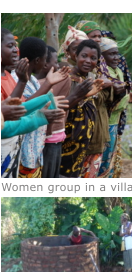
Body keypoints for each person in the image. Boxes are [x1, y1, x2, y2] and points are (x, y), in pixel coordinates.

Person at [11, 36, 70, 178]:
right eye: (44, 59)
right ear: (38, 60)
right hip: (23, 152)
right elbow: (23, 108)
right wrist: (48, 84)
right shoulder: (16, 79)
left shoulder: (33, 80)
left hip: (34, 151)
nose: (45, 63)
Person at [60, 39, 103, 178]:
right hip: (66, 144)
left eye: (93, 58)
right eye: (84, 56)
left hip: (82, 145)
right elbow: (61, 108)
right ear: (76, 56)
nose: (88, 61)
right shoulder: (67, 79)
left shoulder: (88, 81)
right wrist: (80, 96)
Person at [98, 38, 132, 178]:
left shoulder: (118, 71)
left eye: (117, 53)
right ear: (102, 56)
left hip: (115, 122)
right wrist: (124, 90)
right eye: (111, 54)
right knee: (104, 159)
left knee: (111, 158)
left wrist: (128, 93)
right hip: (105, 123)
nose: (116, 57)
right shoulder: (102, 73)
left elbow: (120, 90)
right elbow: (106, 96)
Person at [35, 46, 71, 178]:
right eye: (55, 62)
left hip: (55, 138)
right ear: (45, 64)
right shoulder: (37, 85)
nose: (58, 66)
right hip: (46, 140)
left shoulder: (58, 81)